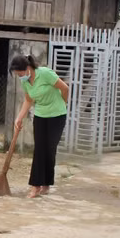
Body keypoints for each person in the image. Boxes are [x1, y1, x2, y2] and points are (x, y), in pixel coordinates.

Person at [11, 54, 70, 199]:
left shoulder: (45, 74)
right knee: (39, 150)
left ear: (28, 68)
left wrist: (63, 103)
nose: (20, 77)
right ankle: (36, 186)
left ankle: (45, 184)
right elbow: (28, 100)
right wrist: (19, 118)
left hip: (57, 116)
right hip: (40, 117)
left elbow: (65, 88)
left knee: (50, 149)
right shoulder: (25, 82)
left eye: (20, 73)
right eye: (17, 75)